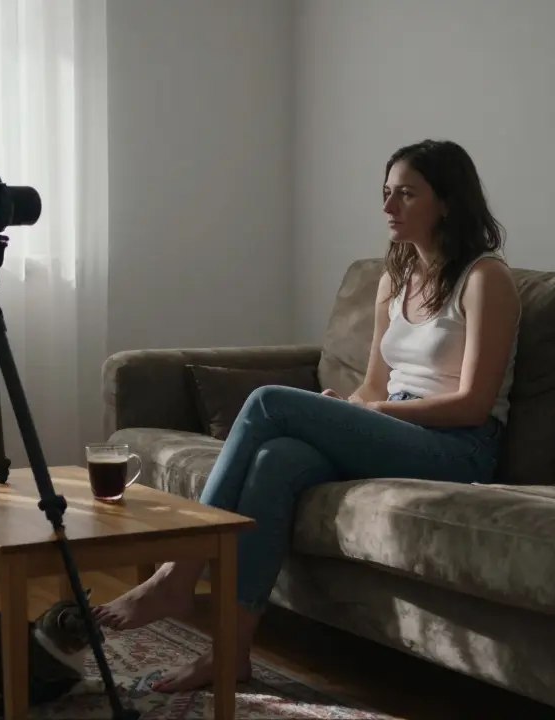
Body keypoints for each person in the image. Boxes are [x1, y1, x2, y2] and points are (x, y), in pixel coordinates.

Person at [93, 139, 522, 693]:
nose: (389, 207)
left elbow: (474, 404)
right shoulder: (394, 279)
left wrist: (364, 413)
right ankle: (231, 654)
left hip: (460, 445)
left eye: (407, 194)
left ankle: (179, 572)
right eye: (386, 193)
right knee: (278, 458)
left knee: (270, 401)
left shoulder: (486, 279)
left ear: (447, 202)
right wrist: (350, 409)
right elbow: (373, 383)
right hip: (400, 425)